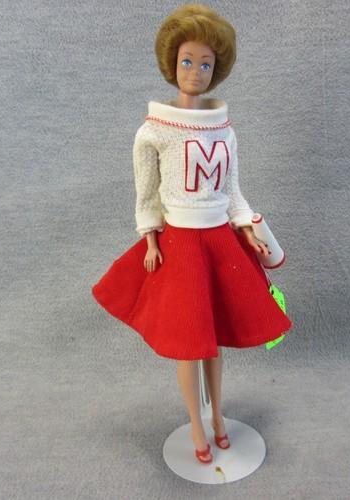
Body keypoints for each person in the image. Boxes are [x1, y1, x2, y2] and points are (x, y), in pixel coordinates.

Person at [91, 3, 293, 465]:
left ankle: (218, 416)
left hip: (219, 240)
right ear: (172, 63)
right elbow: (147, 192)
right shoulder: (154, 131)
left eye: (205, 64)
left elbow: (231, 188)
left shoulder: (223, 128)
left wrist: (247, 226)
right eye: (187, 61)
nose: (195, 72)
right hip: (180, 244)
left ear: (216, 70)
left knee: (214, 338)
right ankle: (196, 425)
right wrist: (150, 238)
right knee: (188, 340)